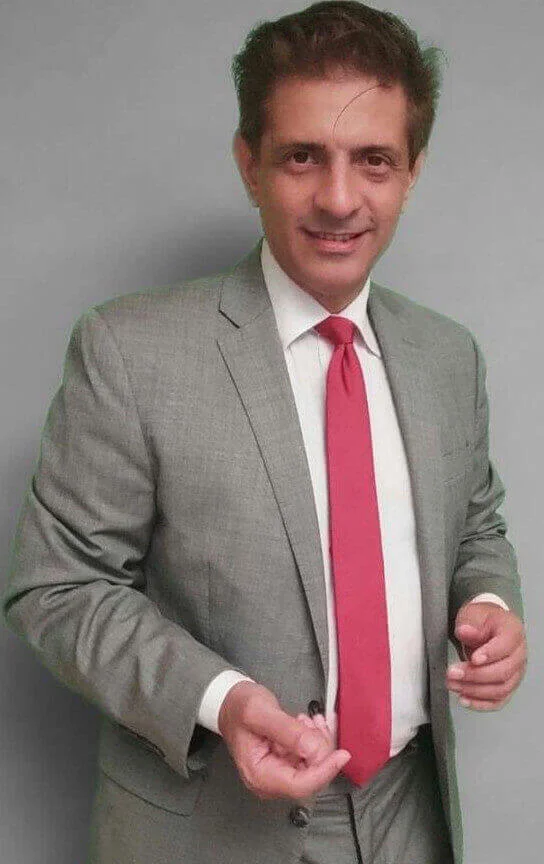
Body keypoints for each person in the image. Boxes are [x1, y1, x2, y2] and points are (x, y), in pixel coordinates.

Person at [3, 3, 526, 863]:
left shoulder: (448, 356)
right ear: (249, 163)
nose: (339, 199)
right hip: (211, 830)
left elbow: (476, 526)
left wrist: (490, 606)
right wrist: (221, 700)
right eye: (302, 156)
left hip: (411, 815)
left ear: (412, 172)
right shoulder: (130, 351)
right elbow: (57, 588)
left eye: (374, 160)